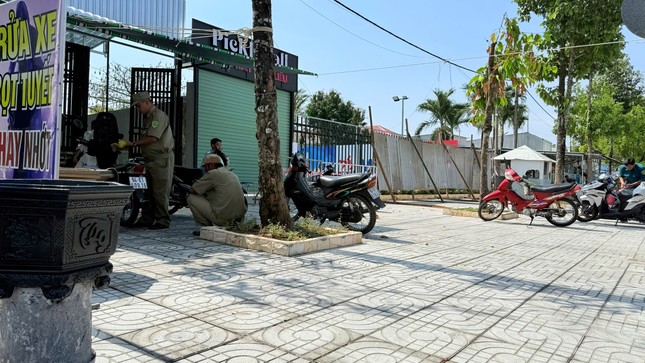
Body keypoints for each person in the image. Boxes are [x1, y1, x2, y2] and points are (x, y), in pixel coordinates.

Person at [117, 92, 175, 229]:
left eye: (138, 105)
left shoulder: (158, 116)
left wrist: (133, 144)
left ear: (147, 102)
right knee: (149, 191)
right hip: (151, 160)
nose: (138, 109)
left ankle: (163, 220)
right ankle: (147, 218)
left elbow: (153, 138)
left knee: (160, 192)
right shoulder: (148, 117)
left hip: (161, 159)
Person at [187, 154, 247, 236]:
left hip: (223, 219)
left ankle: (206, 229)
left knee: (190, 197)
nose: (205, 169)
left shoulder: (213, 173)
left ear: (211, 165)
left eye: (206, 167)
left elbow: (193, 190)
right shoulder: (231, 173)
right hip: (238, 219)